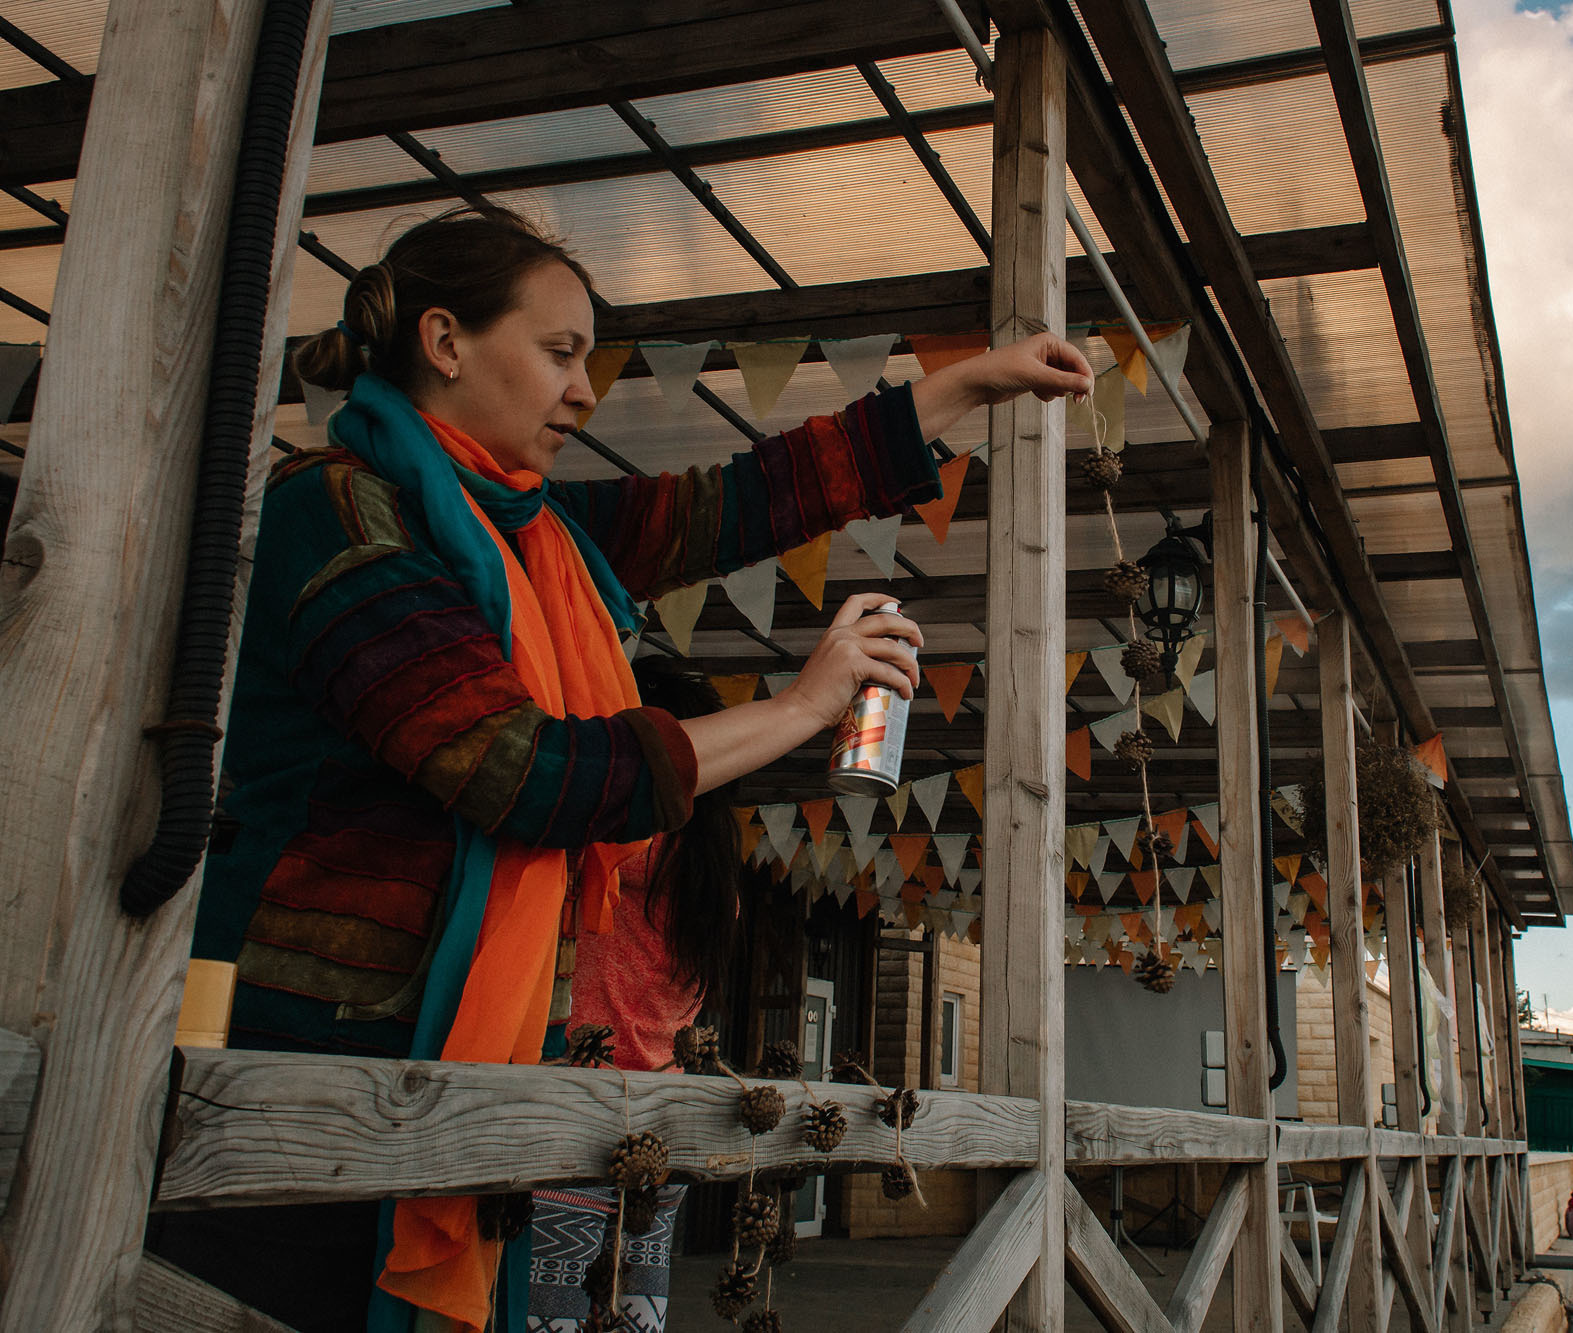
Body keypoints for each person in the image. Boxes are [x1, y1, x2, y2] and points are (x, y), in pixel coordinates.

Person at [155, 205, 1092, 1333]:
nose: (585, 389)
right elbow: (524, 772)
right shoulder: (339, 512)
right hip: (306, 1054)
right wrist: (799, 706)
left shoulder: (538, 530)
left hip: (471, 1065)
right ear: (445, 342)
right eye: (558, 353)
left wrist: (968, 388)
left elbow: (743, 503)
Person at [526, 662, 736, 1330]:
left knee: (551, 1309)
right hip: (661, 1116)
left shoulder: (632, 843)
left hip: (585, 1105)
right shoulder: (710, 861)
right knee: (639, 1311)